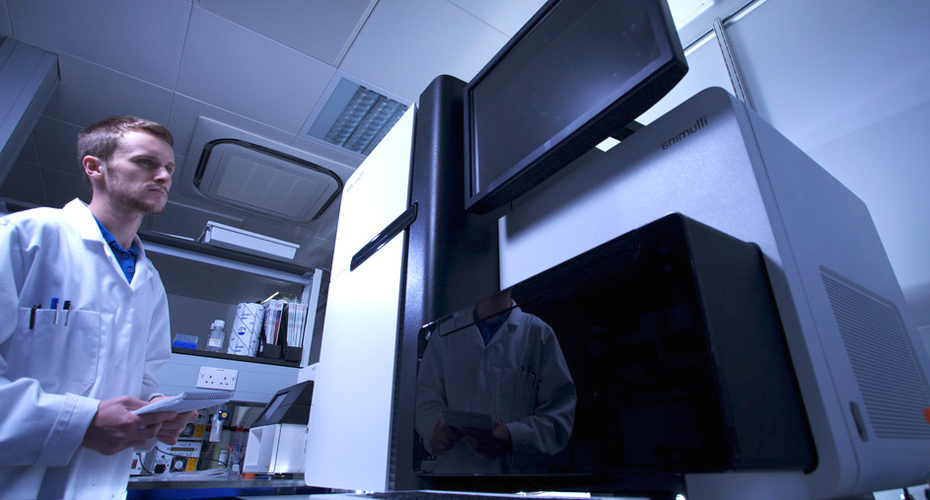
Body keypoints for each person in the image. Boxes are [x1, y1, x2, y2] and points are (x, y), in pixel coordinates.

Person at [0, 116, 198, 499]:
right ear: (95, 167)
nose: (163, 177)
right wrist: (79, 423)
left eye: (169, 168)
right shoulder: (26, 237)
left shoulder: (149, 280)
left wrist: (157, 409)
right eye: (146, 163)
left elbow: (143, 377)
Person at [415, 288, 576, 474]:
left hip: (517, 484)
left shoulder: (539, 334)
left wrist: (512, 436)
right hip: (454, 479)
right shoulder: (444, 335)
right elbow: (425, 403)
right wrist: (435, 430)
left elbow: (559, 417)